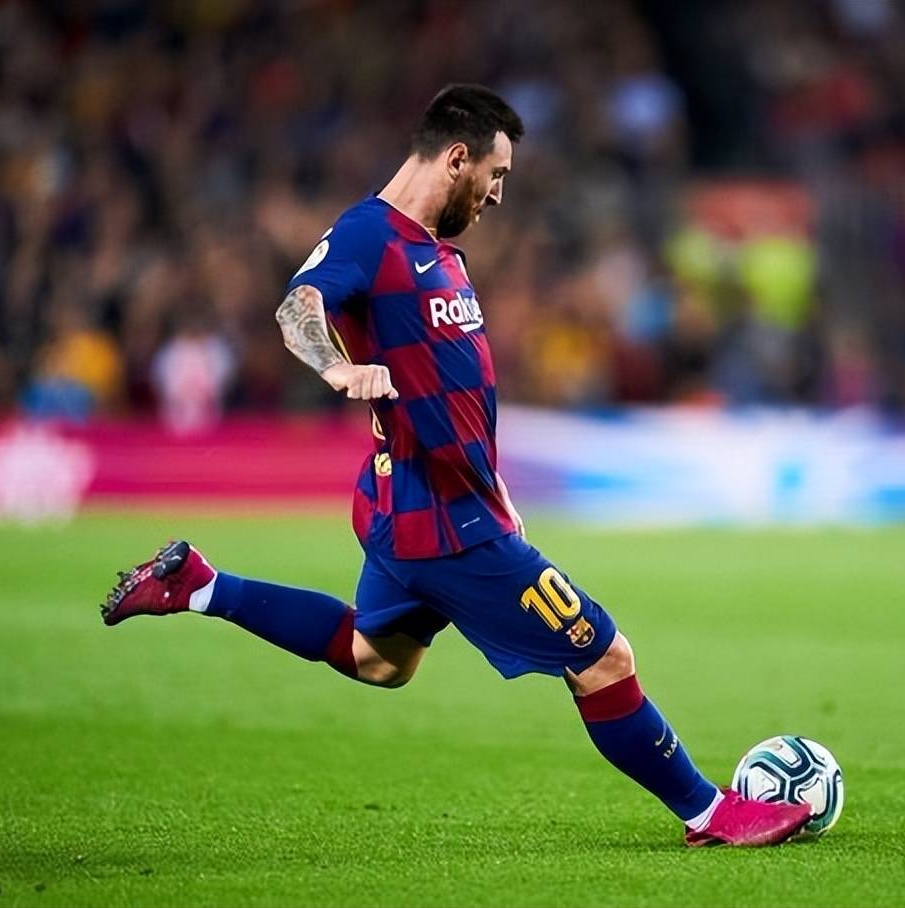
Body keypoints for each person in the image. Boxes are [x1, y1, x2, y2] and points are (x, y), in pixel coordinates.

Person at [100, 84, 810, 847]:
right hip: (446, 525)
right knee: (603, 656)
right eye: (496, 175)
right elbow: (297, 309)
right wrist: (337, 367)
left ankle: (200, 585)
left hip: (424, 505)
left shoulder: (439, 255)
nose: (498, 193)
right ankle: (711, 813)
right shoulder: (371, 234)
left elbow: (455, 392)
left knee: (378, 660)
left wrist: (494, 485)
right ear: (457, 157)